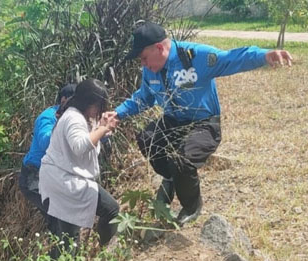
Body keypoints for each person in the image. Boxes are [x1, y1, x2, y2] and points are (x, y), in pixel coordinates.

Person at [109, 22, 293, 224]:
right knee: (147, 138)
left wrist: (264, 55)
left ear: (160, 48)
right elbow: (144, 98)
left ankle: (191, 206)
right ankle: (169, 179)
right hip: (173, 121)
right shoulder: (151, 70)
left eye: (143, 58)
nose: (143, 64)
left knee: (181, 160)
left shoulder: (194, 56)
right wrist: (118, 114)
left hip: (204, 124)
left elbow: (230, 59)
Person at [38, 79, 120, 256]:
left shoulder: (79, 116)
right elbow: (80, 146)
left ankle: (101, 254)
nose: (99, 110)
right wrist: (104, 128)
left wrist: (101, 126)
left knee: (69, 237)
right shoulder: (74, 118)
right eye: (98, 106)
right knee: (70, 239)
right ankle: (103, 255)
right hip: (64, 182)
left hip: (65, 180)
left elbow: (89, 138)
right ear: (89, 103)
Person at [19, 84, 78, 212]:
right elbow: (45, 143)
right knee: (59, 215)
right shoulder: (48, 117)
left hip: (53, 174)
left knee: (59, 217)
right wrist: (61, 124)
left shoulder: (74, 118)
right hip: (34, 174)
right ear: (64, 100)